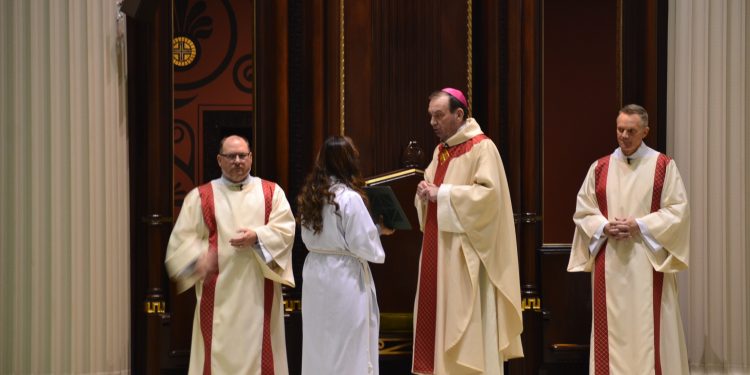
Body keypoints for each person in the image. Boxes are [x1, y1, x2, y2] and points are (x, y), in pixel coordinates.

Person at [568, 104, 690, 374]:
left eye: (631, 131)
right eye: (620, 129)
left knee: (650, 329)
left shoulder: (663, 166)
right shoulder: (599, 168)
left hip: (647, 263)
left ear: (645, 131)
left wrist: (640, 225)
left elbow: (678, 211)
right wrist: (603, 227)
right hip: (609, 262)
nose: (624, 136)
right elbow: (583, 210)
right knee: (611, 331)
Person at [413, 88, 524, 374]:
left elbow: (490, 198)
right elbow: (432, 186)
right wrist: (424, 192)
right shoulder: (441, 151)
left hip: (467, 257)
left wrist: (444, 194)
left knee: (466, 323)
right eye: (431, 116)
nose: (433, 122)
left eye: (439, 115)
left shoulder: (482, 147)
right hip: (438, 250)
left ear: (459, 114)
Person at [164, 135, 296, 375]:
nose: (237, 161)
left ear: (251, 157)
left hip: (258, 291)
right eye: (231, 156)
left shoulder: (271, 192)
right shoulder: (202, 196)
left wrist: (257, 237)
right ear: (219, 160)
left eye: (242, 155)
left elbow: (286, 230)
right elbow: (180, 242)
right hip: (218, 296)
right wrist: (197, 259)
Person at [297, 135, 393, 375]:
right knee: (347, 342)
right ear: (348, 161)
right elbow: (364, 245)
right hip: (343, 277)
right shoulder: (349, 198)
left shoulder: (311, 195)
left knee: (319, 341)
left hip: (315, 273)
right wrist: (379, 231)